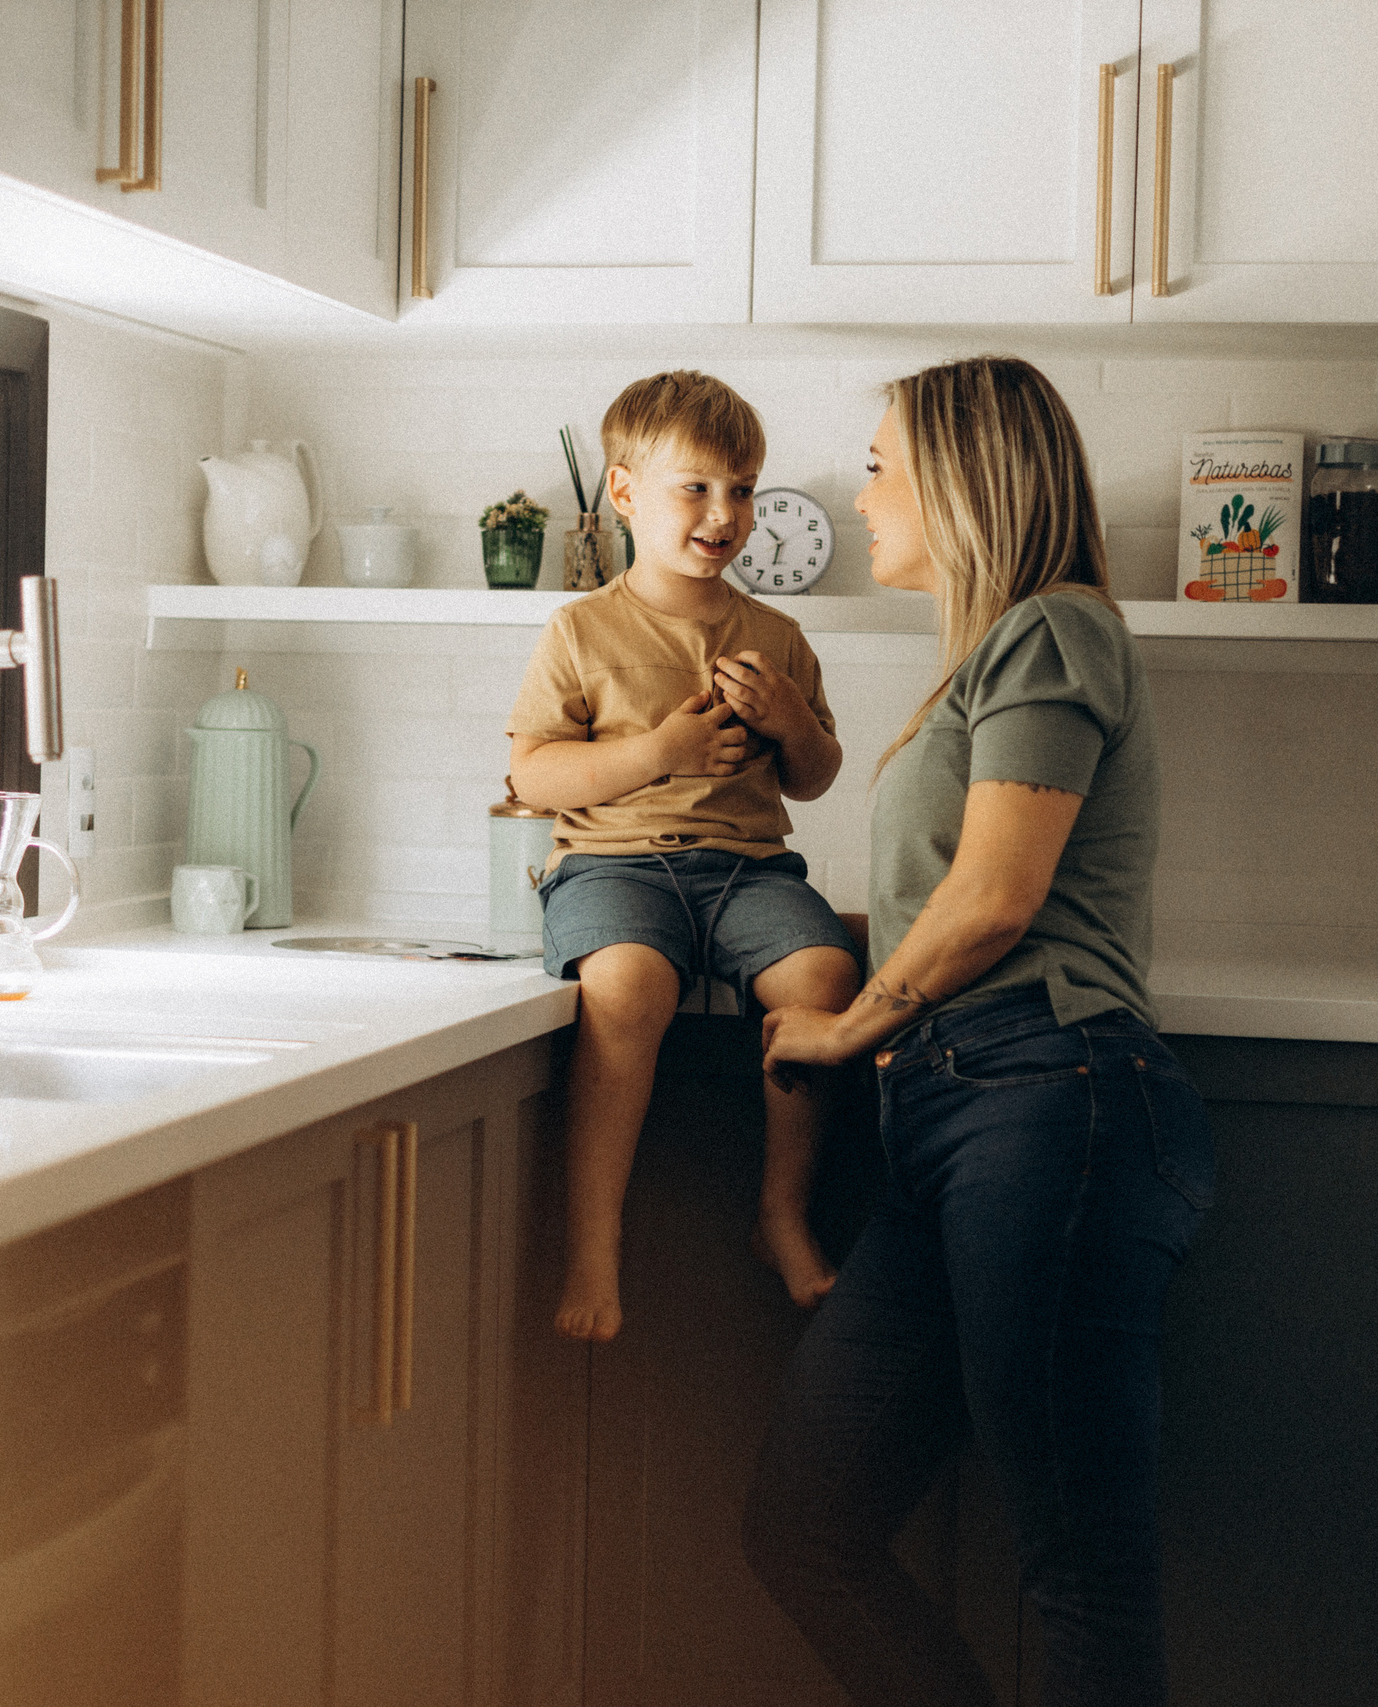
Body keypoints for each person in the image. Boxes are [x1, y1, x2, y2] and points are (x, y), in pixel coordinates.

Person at [744, 357, 1215, 1707]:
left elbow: (998, 897)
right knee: (803, 1526)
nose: (862, 494)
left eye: (879, 466)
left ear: (962, 481)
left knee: (1081, 1571)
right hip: (961, 1122)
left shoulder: (1054, 629)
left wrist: (847, 1031)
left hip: (1052, 1102)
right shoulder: (995, 656)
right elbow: (947, 897)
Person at [508, 370, 863, 1343]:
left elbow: (815, 778)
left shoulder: (776, 636)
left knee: (825, 975)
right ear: (624, 493)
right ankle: (593, 1242)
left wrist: (791, 721)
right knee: (626, 988)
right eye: (696, 488)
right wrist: (658, 753)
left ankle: (780, 1214)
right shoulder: (580, 628)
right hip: (612, 868)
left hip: (747, 870)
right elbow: (534, 773)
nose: (724, 514)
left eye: (742, 489)